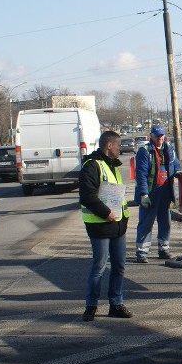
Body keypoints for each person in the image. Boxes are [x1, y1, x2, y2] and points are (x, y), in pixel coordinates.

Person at [79, 130, 132, 321]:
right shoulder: (91, 166)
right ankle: (91, 306)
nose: (120, 149)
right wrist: (106, 212)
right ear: (109, 146)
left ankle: (116, 304)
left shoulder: (111, 165)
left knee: (119, 266)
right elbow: (87, 196)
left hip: (118, 225)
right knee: (99, 267)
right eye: (118, 145)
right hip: (101, 225)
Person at [134, 124, 182, 263]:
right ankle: (142, 252)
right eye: (157, 136)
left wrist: (178, 171)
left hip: (165, 192)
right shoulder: (144, 151)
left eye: (162, 136)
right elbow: (141, 174)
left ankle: (164, 249)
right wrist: (143, 194)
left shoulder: (169, 148)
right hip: (151, 193)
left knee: (165, 222)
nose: (160, 139)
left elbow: (176, 163)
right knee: (146, 223)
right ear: (151, 136)